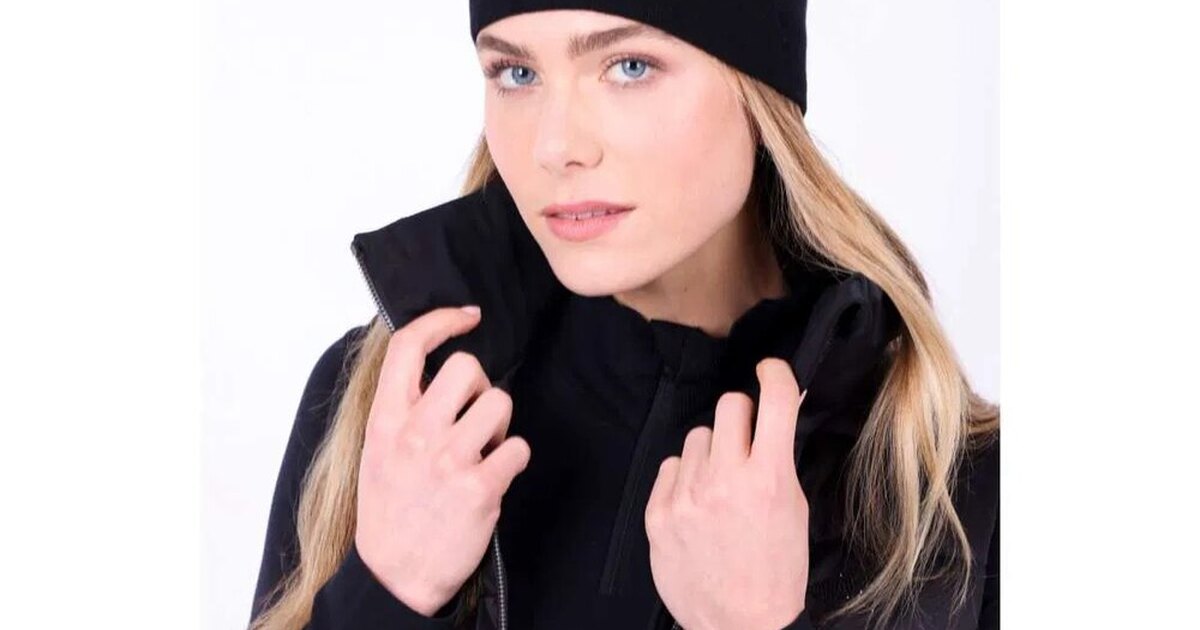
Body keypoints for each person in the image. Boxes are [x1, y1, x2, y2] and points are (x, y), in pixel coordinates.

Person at [249, 3, 999, 629]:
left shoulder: (952, 478)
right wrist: (387, 593)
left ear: (759, 89)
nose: (555, 146)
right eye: (516, 73)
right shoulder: (391, 408)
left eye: (629, 66)